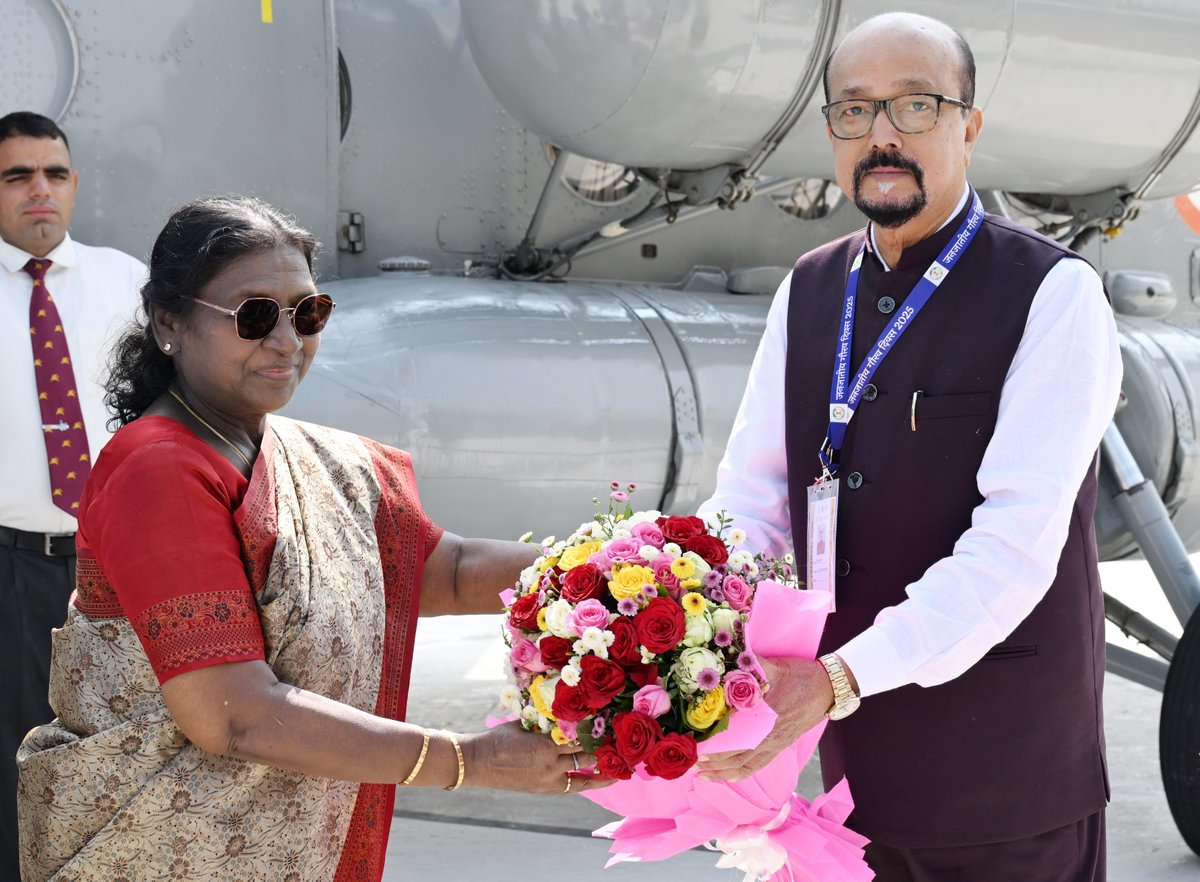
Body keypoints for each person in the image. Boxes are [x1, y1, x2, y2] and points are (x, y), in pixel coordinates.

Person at [16, 195, 607, 882]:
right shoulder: (159, 469)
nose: (288, 339)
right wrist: (469, 761)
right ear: (170, 322)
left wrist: (619, 575)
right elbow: (235, 718)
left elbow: (440, 571)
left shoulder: (314, 458)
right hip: (160, 853)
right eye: (255, 314)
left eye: (308, 312)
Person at [697, 12, 1121, 881]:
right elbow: (750, 502)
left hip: (1008, 788)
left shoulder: (1054, 294)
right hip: (847, 791)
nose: (882, 135)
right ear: (830, 133)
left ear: (969, 125)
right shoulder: (810, 288)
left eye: (915, 106)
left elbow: (1012, 549)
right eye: (854, 111)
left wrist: (839, 679)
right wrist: (686, 633)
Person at [0, 110, 145, 880]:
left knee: (119, 747)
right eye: (17, 176)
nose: (38, 192)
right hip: (12, 566)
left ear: (74, 184)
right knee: (14, 754)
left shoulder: (127, 284)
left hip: (117, 562)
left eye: (54, 174)